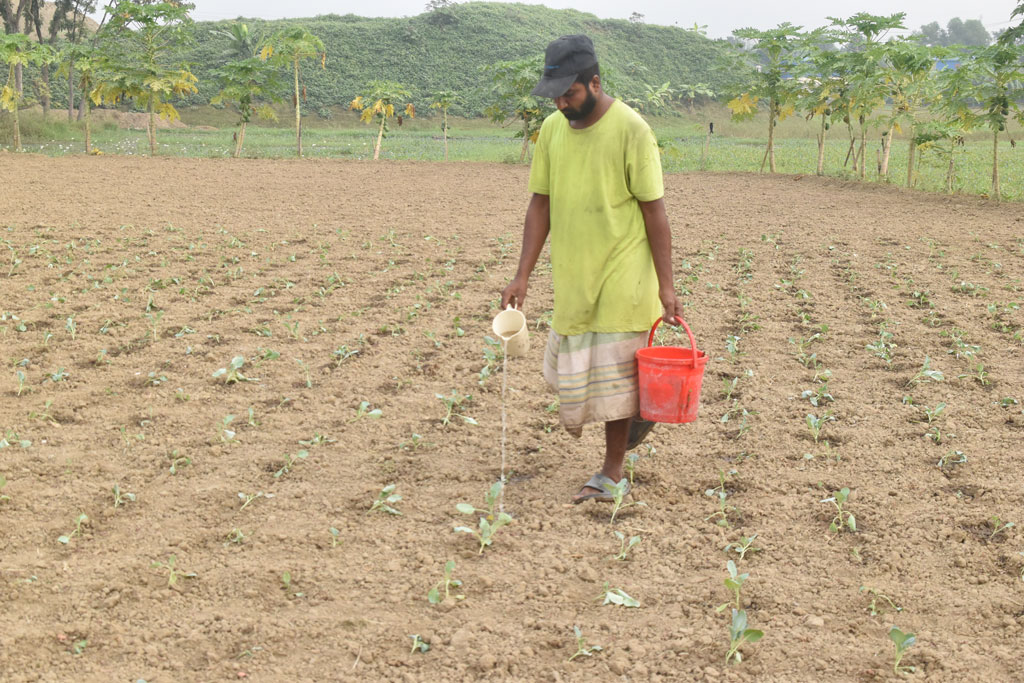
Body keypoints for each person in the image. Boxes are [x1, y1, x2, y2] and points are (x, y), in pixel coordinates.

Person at [500, 34, 684, 504]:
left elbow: (654, 212)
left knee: (617, 375)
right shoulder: (553, 131)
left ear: (595, 82)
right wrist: (522, 274)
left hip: (625, 274)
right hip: (575, 274)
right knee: (583, 373)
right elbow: (539, 205)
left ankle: (611, 472)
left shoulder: (631, 130)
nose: (562, 103)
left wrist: (667, 289)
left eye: (571, 93)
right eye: (556, 95)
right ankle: (640, 414)